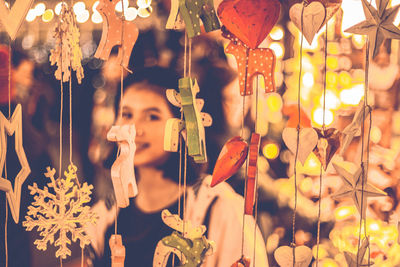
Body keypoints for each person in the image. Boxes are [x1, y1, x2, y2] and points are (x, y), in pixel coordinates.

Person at [85, 67, 268, 267]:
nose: (134, 130)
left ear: (182, 127)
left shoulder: (220, 208)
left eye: (152, 116)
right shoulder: (104, 216)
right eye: (127, 115)